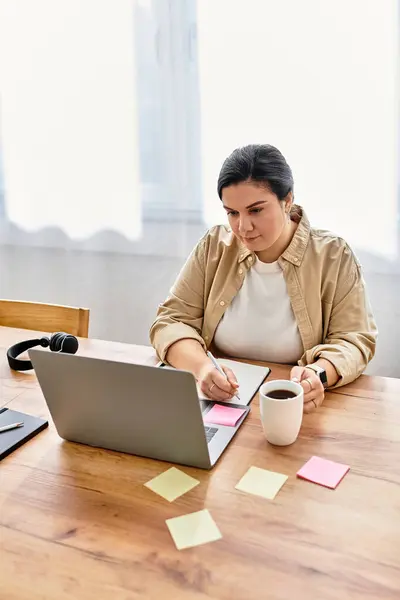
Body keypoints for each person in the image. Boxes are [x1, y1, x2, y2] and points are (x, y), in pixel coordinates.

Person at [150, 144, 377, 412]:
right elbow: (171, 321)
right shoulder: (214, 245)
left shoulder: (333, 254)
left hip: (294, 406)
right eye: (232, 213)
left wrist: (319, 373)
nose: (243, 227)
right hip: (221, 404)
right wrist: (202, 368)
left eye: (256, 210)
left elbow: (354, 339)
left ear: (287, 200)